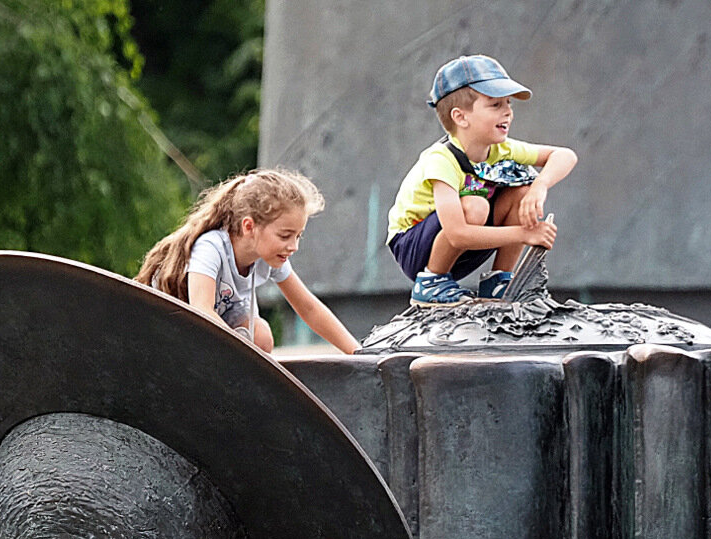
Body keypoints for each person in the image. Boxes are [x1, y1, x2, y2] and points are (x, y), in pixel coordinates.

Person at [387, 54, 578, 306]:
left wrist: (539, 187)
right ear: (460, 117)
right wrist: (525, 234)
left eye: (508, 103)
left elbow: (565, 155)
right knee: (476, 206)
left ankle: (499, 282)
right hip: (415, 248)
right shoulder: (441, 159)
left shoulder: (502, 149)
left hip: (463, 242)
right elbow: (456, 234)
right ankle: (431, 282)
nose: (508, 112)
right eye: (495, 105)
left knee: (521, 192)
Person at [136, 168, 361, 354]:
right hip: (172, 324)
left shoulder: (269, 257)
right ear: (249, 227)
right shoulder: (211, 248)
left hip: (217, 323)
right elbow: (202, 310)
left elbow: (309, 308)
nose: (293, 246)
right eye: (285, 236)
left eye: (298, 236)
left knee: (261, 336)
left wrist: (357, 354)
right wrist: (244, 363)